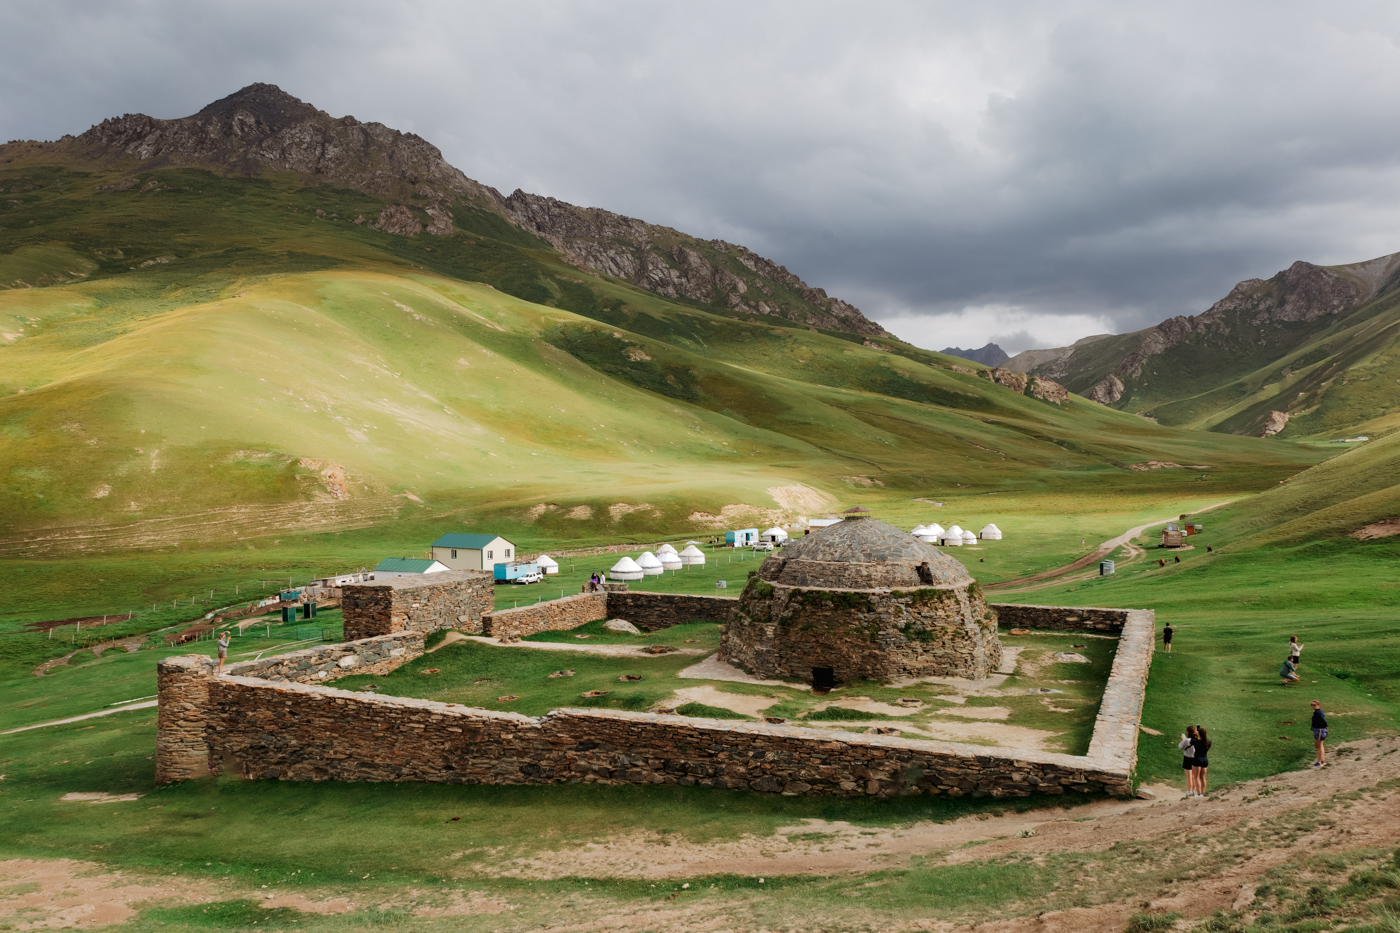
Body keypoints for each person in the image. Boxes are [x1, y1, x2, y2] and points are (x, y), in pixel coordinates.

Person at [1179, 726, 1199, 795]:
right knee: (1194, 776)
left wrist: (1183, 740)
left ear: (1187, 732)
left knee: (1189, 776)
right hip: (1195, 758)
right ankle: (1193, 791)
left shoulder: (1186, 740)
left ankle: (1189, 791)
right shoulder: (1197, 740)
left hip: (1187, 758)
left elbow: (1180, 747)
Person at [1192, 725, 1212, 796]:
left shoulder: (1196, 742)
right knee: (1203, 777)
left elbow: (1192, 740)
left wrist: (1195, 734)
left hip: (1197, 759)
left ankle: (1198, 793)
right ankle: (1202, 793)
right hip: (1205, 760)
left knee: (1196, 777)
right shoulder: (1209, 742)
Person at [1311, 700, 1328, 767]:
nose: (1313, 706)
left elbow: (1323, 720)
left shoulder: (1318, 712)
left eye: (1314, 705)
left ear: (1319, 705)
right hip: (1318, 730)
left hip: (1319, 730)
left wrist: (1325, 727)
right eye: (1312, 705)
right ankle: (1322, 760)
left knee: (1318, 746)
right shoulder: (1317, 712)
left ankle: (1319, 762)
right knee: (1320, 745)